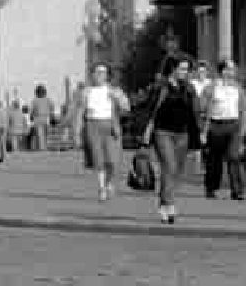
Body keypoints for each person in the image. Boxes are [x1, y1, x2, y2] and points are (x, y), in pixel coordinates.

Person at [142, 55, 201, 224]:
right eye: (182, 69)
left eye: (187, 69)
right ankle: (170, 204)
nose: (185, 72)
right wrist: (147, 130)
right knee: (169, 165)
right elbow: (151, 110)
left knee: (176, 172)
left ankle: (163, 203)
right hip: (163, 132)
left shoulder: (188, 88)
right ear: (172, 69)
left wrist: (199, 132)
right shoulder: (162, 87)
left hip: (182, 133)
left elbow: (194, 112)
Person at [72, 62, 130, 201]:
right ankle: (101, 188)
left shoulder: (113, 90)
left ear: (107, 75)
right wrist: (76, 133)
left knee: (112, 160)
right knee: (98, 160)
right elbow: (80, 112)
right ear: (92, 74)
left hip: (110, 126)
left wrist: (118, 98)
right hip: (92, 125)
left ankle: (109, 182)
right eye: (97, 72)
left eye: (103, 72)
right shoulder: (86, 92)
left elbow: (126, 108)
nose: (99, 75)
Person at [201, 58, 246, 200]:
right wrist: (203, 130)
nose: (232, 72)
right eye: (228, 69)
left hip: (233, 125)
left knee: (234, 157)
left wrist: (243, 129)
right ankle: (211, 188)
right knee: (214, 160)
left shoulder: (238, 88)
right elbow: (203, 108)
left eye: (233, 69)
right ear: (222, 71)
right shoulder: (211, 87)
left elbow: (243, 110)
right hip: (215, 125)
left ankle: (237, 191)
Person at [29, 84, 55, 151]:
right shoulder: (48, 100)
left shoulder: (35, 100)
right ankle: (43, 148)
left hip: (38, 118)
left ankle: (42, 148)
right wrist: (52, 118)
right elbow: (52, 110)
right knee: (44, 134)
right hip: (45, 118)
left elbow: (32, 111)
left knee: (40, 135)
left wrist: (31, 117)